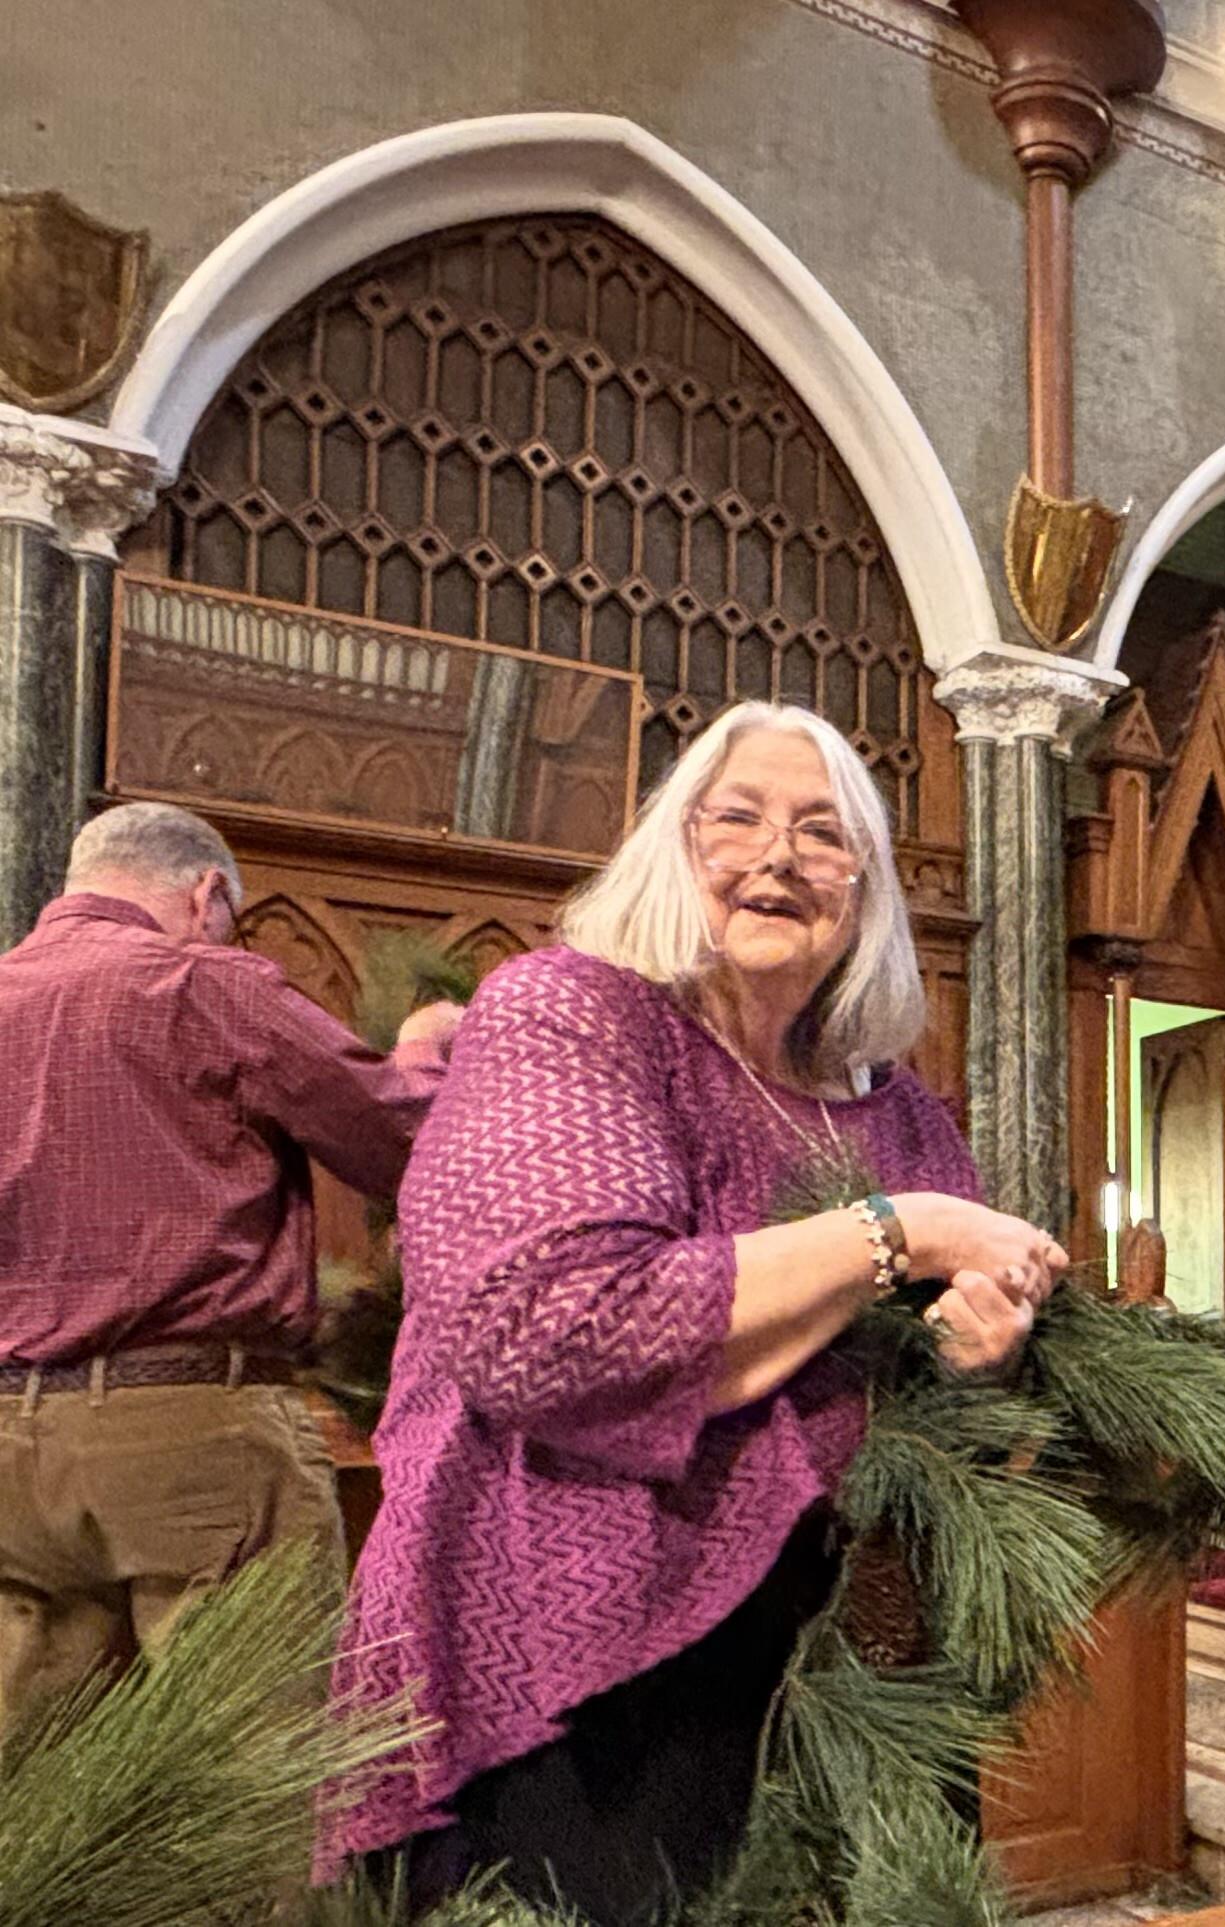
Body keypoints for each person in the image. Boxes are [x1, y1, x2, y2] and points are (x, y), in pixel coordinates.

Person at [328, 702, 1066, 1926]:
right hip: (583, 1653)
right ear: (674, 845)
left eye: (823, 833)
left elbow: (925, 1394)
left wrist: (979, 1347)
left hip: (845, 1656)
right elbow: (552, 1330)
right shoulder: (570, 1017)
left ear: (867, 888)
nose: (778, 855)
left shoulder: (898, 1112)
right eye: (738, 818)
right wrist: (898, 1232)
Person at [0, 802, 456, 1741]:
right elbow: (406, 1142)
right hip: (194, 1441)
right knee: (251, 1774)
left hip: (11, 1448)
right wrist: (423, 1048)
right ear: (208, 893)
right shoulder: (201, 982)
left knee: (34, 1791)